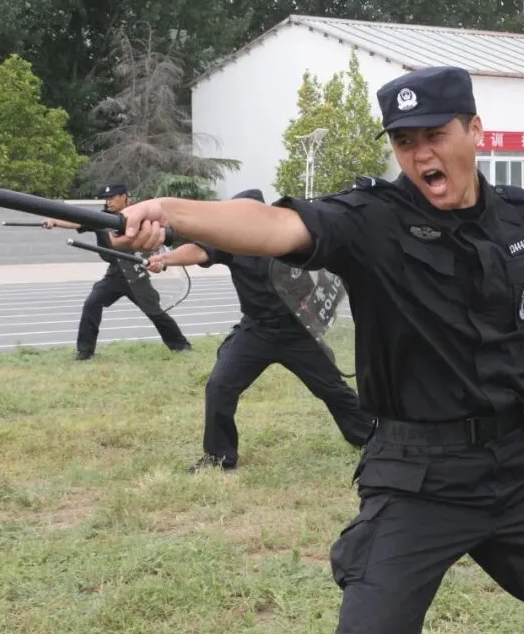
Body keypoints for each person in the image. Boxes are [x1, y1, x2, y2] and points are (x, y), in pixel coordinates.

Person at [110, 66, 524, 634]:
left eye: (435, 135)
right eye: (405, 141)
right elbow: (273, 224)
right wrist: (168, 211)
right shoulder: (372, 219)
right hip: (416, 475)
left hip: (517, 464)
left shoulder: (520, 217)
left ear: (475, 131)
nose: (421, 154)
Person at [145, 188, 376, 472]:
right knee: (220, 387)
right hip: (256, 331)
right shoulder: (231, 240)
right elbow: (199, 249)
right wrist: (165, 259)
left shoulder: (286, 235)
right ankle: (219, 458)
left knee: (333, 390)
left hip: (298, 332)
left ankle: (370, 440)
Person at [42, 183, 191, 360]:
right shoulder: (101, 218)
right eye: (106, 199)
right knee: (92, 304)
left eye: (112, 198)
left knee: (154, 311)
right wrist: (54, 222)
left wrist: (160, 262)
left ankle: (181, 345)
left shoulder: (139, 216)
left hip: (135, 273)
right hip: (115, 273)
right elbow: (77, 221)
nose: (108, 202)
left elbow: (157, 241)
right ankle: (85, 351)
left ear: (124, 197)